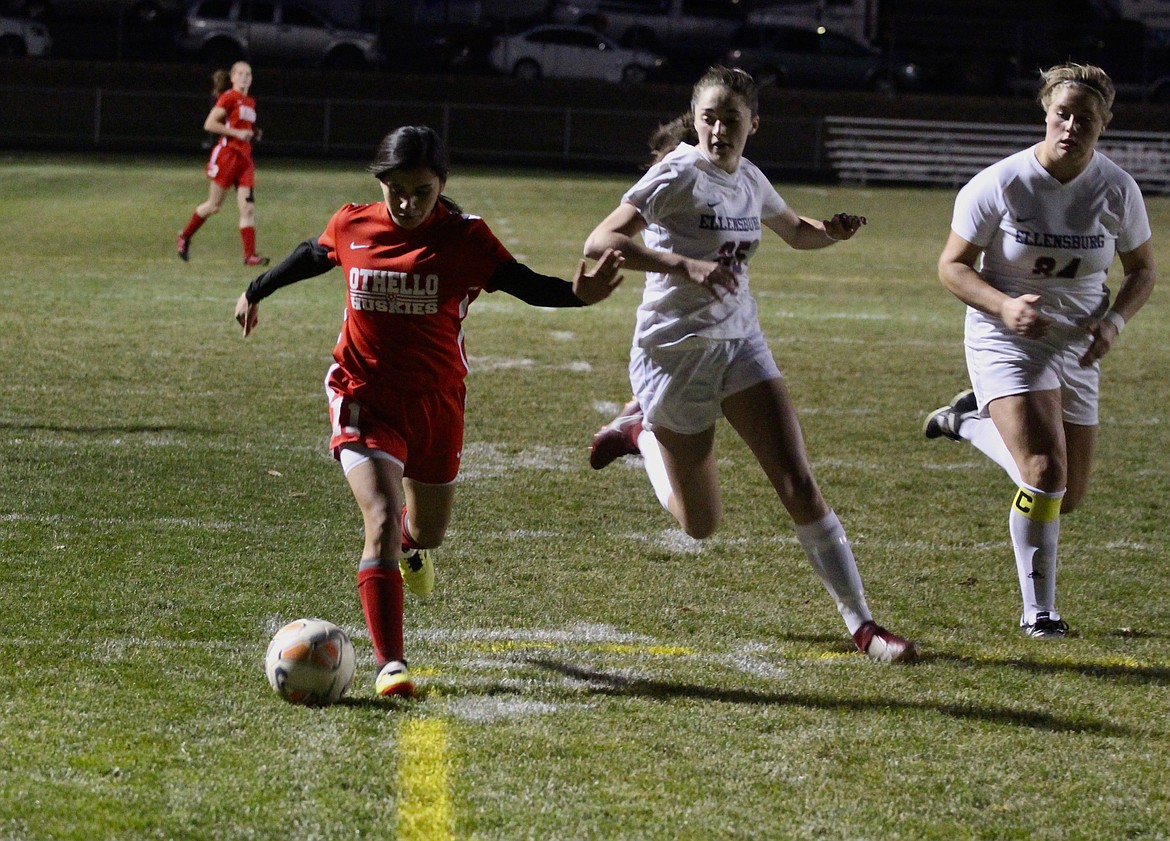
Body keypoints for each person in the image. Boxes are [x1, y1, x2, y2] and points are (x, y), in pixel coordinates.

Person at [234, 126, 624, 698]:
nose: (409, 203)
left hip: (437, 405)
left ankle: (412, 551)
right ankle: (391, 664)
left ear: (442, 184)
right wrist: (256, 289)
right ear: (381, 182)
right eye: (397, 189)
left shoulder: (465, 239)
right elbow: (311, 256)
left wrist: (579, 295)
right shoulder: (353, 223)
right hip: (362, 397)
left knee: (426, 532)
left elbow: (524, 283)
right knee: (383, 520)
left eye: (422, 191)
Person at [583, 66, 917, 663]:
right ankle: (640, 431)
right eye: (708, 117)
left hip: (739, 343)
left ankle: (863, 626)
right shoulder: (677, 172)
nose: (717, 129)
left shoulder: (751, 179)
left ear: (753, 124)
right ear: (696, 117)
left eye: (730, 120)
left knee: (798, 480)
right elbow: (599, 242)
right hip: (674, 352)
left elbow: (794, 232)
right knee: (701, 525)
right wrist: (681, 266)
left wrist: (832, 232)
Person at [923, 63, 1156, 639]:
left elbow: (1144, 271)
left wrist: (1116, 323)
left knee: (1064, 495)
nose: (1072, 126)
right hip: (1008, 335)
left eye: (1086, 118)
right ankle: (1039, 613)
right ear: (1046, 113)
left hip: (1078, 345)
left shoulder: (1116, 188)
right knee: (1045, 473)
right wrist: (1004, 307)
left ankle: (968, 423)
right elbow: (952, 266)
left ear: (1106, 122)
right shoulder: (1001, 183)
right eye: (1063, 114)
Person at [177, 61, 270, 267]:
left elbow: (243, 126)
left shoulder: (250, 101)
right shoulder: (228, 97)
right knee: (214, 206)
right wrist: (237, 133)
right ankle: (184, 235)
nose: (245, 77)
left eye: (249, 74)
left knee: (247, 209)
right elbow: (209, 124)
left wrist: (254, 133)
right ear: (233, 77)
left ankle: (249, 255)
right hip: (227, 156)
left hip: (245, 159)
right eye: (241, 73)